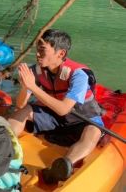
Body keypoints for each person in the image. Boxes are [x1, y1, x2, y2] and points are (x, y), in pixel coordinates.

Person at [7, 29, 103, 185]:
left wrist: (34, 87)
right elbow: (20, 104)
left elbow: (64, 109)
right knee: (24, 111)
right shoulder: (36, 71)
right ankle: (3, 142)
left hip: (82, 118)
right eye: (37, 50)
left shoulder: (79, 75)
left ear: (60, 53)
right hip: (54, 117)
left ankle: (64, 164)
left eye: (42, 51)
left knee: (94, 131)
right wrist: (26, 86)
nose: (37, 54)